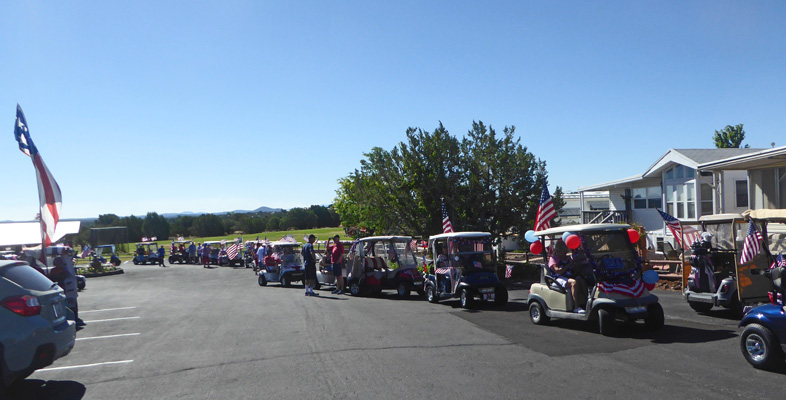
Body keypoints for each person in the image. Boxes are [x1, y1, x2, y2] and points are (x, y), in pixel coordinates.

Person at [548, 241, 586, 313]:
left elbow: (574, 269)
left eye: (565, 250)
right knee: (574, 282)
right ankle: (576, 307)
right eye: (563, 250)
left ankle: (585, 303)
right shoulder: (554, 258)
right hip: (557, 279)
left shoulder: (568, 258)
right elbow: (558, 271)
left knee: (582, 280)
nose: (565, 252)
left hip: (568, 277)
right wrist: (569, 264)